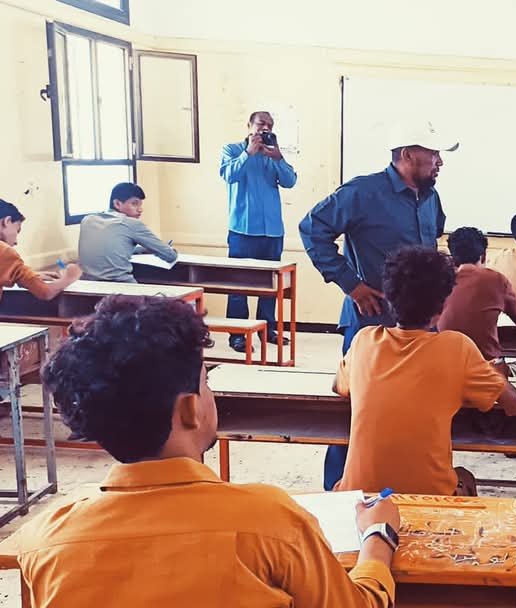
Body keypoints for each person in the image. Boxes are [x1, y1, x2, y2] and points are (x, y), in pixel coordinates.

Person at [22, 295, 398, 606]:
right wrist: (378, 536)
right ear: (190, 409)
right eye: (206, 383)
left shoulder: (49, 542)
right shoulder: (271, 522)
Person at [299, 121, 456, 490]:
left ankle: (402, 483)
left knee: (414, 406)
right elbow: (312, 229)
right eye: (433, 154)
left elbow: (433, 240)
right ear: (407, 155)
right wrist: (352, 285)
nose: (440, 162)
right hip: (371, 319)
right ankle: (338, 488)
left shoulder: (430, 197)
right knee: (356, 408)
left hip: (420, 325)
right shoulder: (362, 192)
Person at [334, 247, 516, 496]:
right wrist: (492, 369)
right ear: (443, 306)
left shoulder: (364, 340)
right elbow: (515, 406)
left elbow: (339, 386)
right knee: (464, 477)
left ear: (389, 299)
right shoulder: (457, 347)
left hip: (361, 497)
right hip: (429, 496)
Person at [220, 111, 298, 353]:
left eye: (270, 125)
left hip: (272, 231)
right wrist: (248, 153)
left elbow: (290, 181)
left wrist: (279, 157)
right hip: (243, 229)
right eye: (261, 123)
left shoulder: (272, 154)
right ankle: (238, 335)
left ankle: (268, 330)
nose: (266, 128)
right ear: (249, 125)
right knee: (238, 286)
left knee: (270, 285)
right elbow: (228, 175)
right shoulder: (232, 150)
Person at [438, 227, 516, 378]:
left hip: (448, 367)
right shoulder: (496, 279)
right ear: (483, 255)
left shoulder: (442, 282)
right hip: (488, 370)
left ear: (453, 257)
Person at [78, 182, 178, 283]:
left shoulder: (88, 220)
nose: (140, 209)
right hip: (120, 285)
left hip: (87, 285)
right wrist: (165, 249)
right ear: (117, 204)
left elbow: (113, 247)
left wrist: (145, 249)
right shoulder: (131, 224)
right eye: (134, 204)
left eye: (140, 204)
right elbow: (170, 256)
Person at [0, 199, 81, 301]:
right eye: (17, 230)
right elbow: (45, 292)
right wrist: (70, 277)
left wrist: (30, 277)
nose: (16, 242)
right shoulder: (4, 251)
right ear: (7, 221)